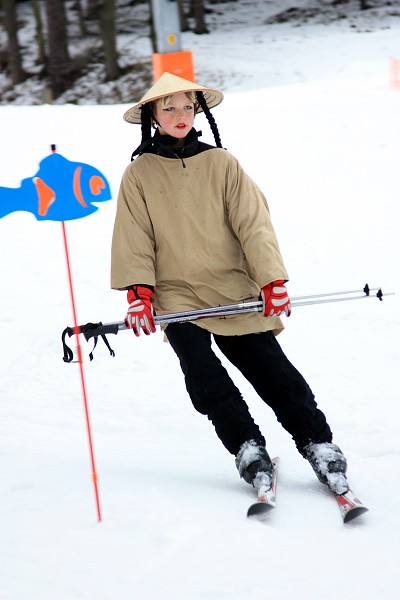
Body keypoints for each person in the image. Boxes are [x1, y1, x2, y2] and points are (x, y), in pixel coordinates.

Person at [111, 72, 349, 495]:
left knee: (272, 371)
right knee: (204, 377)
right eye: (170, 108)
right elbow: (135, 236)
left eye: (188, 106)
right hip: (176, 295)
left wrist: (271, 279)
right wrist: (139, 294)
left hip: (232, 287)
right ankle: (247, 447)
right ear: (152, 115)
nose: (181, 115)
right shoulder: (138, 174)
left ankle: (318, 443)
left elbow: (253, 223)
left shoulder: (222, 163)